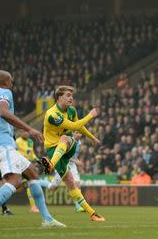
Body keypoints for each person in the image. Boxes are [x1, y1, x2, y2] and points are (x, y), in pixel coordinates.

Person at [0, 70, 65, 229]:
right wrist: (29, 129)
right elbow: (4, 112)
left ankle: (47, 219)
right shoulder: (5, 92)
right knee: (15, 181)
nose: (12, 84)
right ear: (4, 82)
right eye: (11, 81)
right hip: (2, 144)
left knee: (32, 173)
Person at [40, 86, 105, 222]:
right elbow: (74, 126)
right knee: (71, 183)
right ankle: (92, 214)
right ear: (59, 98)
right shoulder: (52, 114)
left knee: (65, 138)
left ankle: (51, 164)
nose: (71, 98)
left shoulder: (71, 110)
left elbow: (78, 126)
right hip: (53, 149)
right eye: (68, 95)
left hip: (67, 146)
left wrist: (92, 137)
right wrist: (90, 115)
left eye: (72, 96)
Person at [48, 131, 85, 212]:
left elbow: (73, 156)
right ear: (73, 133)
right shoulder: (68, 140)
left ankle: (78, 206)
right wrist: (76, 161)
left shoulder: (79, 143)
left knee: (77, 184)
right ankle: (41, 183)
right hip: (63, 164)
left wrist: (77, 161)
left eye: (80, 133)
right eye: (76, 133)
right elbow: (64, 155)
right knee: (53, 188)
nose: (78, 134)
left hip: (72, 166)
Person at [16, 130, 50, 213]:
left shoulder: (30, 141)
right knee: (15, 185)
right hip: (19, 165)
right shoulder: (17, 141)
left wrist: (36, 159)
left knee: (30, 184)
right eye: (24, 132)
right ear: (21, 133)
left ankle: (34, 206)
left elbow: (31, 153)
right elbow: (14, 152)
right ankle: (4, 205)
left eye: (27, 132)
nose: (26, 133)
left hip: (28, 165)